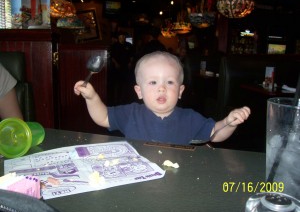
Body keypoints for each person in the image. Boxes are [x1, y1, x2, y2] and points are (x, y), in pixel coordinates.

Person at [74, 51, 250, 145]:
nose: (162, 88)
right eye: (152, 82)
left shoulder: (190, 118)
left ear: (180, 91)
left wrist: (229, 122)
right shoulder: (131, 114)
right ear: (139, 91)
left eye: (170, 82)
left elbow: (214, 134)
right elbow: (103, 117)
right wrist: (91, 97)